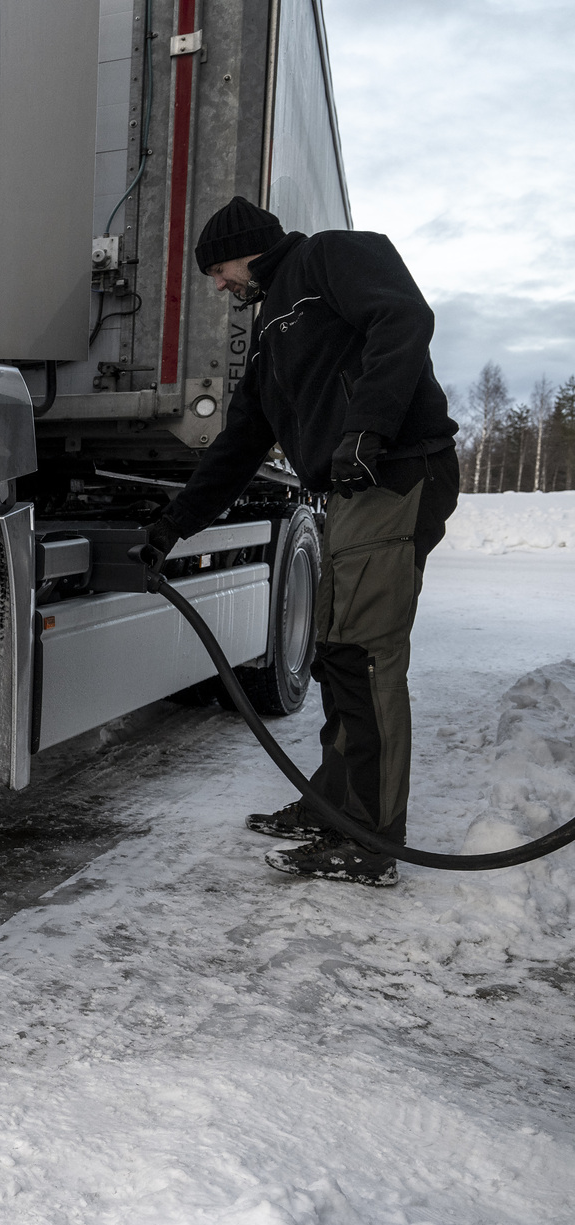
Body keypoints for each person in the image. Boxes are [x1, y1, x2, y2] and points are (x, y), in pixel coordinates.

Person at [142, 197, 460, 888]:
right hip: (350, 492)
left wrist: (367, 427)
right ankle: (334, 806)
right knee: (337, 653)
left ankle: (369, 840)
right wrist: (171, 527)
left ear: (247, 248)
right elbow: (238, 446)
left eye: (219, 269)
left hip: (399, 471)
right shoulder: (270, 335)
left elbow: (404, 317)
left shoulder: (331, 255)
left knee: (364, 654)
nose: (218, 285)